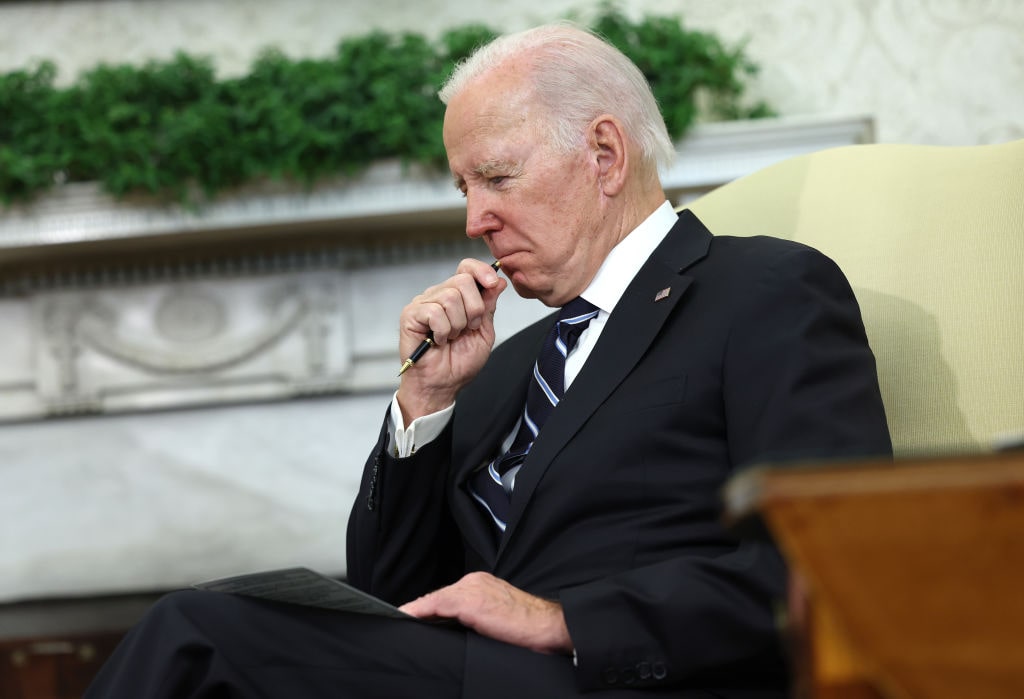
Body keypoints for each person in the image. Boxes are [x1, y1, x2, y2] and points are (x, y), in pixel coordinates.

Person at [85, 22, 891, 698]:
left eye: (497, 176)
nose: (475, 219)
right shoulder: (509, 366)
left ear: (604, 154)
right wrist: (426, 404)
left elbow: (832, 569)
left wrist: (564, 619)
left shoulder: (764, 289)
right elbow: (389, 595)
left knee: (193, 632)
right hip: (473, 677)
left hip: (626, 677)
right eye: (463, 187)